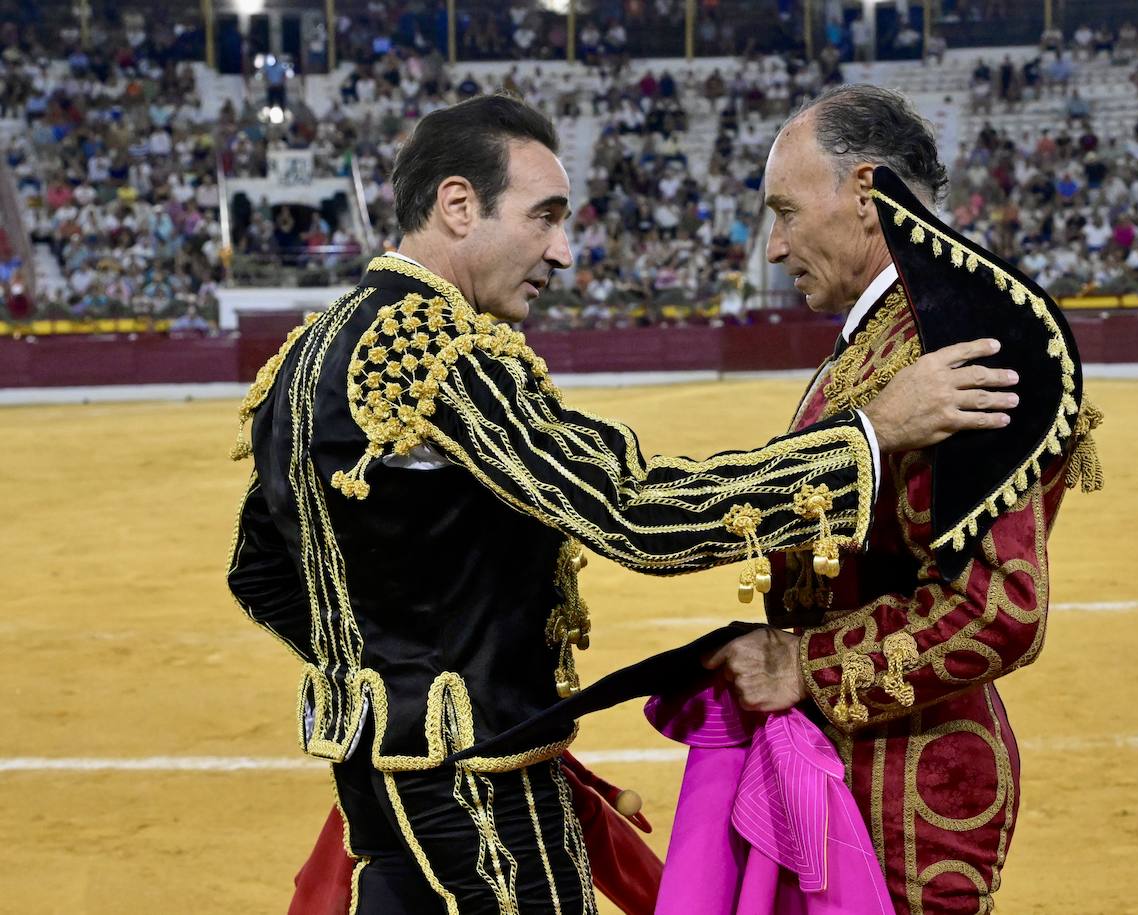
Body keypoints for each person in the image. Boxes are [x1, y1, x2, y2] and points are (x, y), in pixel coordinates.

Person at [227, 94, 1017, 913]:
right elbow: (632, 511)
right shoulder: (439, 352)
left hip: (376, 781)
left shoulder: (311, 349)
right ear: (458, 205)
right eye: (545, 217)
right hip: (479, 791)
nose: (562, 251)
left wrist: (394, 684)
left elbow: (261, 572)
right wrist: (868, 437)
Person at [704, 84, 1103, 915]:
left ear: (864, 191)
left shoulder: (956, 338)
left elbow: (999, 605)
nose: (774, 247)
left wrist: (801, 665)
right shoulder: (892, 334)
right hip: (848, 770)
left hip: (906, 795)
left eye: (785, 210)